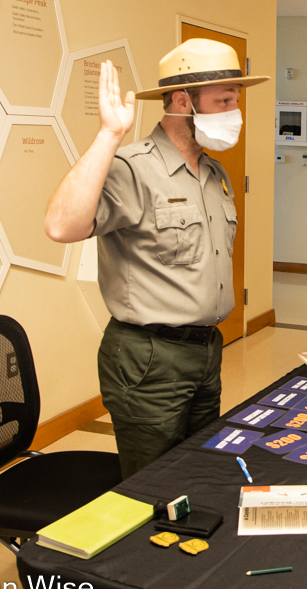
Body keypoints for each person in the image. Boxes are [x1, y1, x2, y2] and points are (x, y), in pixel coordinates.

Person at [44, 39, 268, 478]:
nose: (234, 113)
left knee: (199, 470)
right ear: (184, 102)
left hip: (205, 350)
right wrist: (109, 136)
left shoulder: (214, 173)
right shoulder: (132, 168)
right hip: (149, 358)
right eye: (224, 101)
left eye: (235, 101)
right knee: (152, 482)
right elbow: (61, 227)